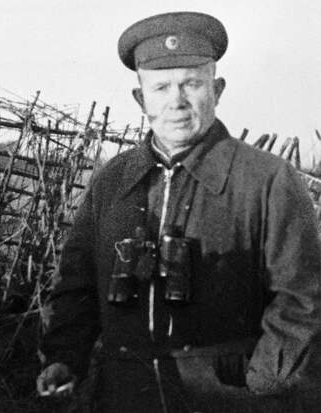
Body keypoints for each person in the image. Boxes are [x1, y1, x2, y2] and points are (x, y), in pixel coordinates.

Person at [36, 11, 321, 413]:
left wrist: (264, 383)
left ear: (217, 90)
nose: (177, 102)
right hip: (125, 395)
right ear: (140, 99)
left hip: (227, 397)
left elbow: (301, 298)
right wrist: (64, 358)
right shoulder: (112, 182)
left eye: (192, 84)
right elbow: (76, 287)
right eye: (161, 87)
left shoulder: (268, 180)